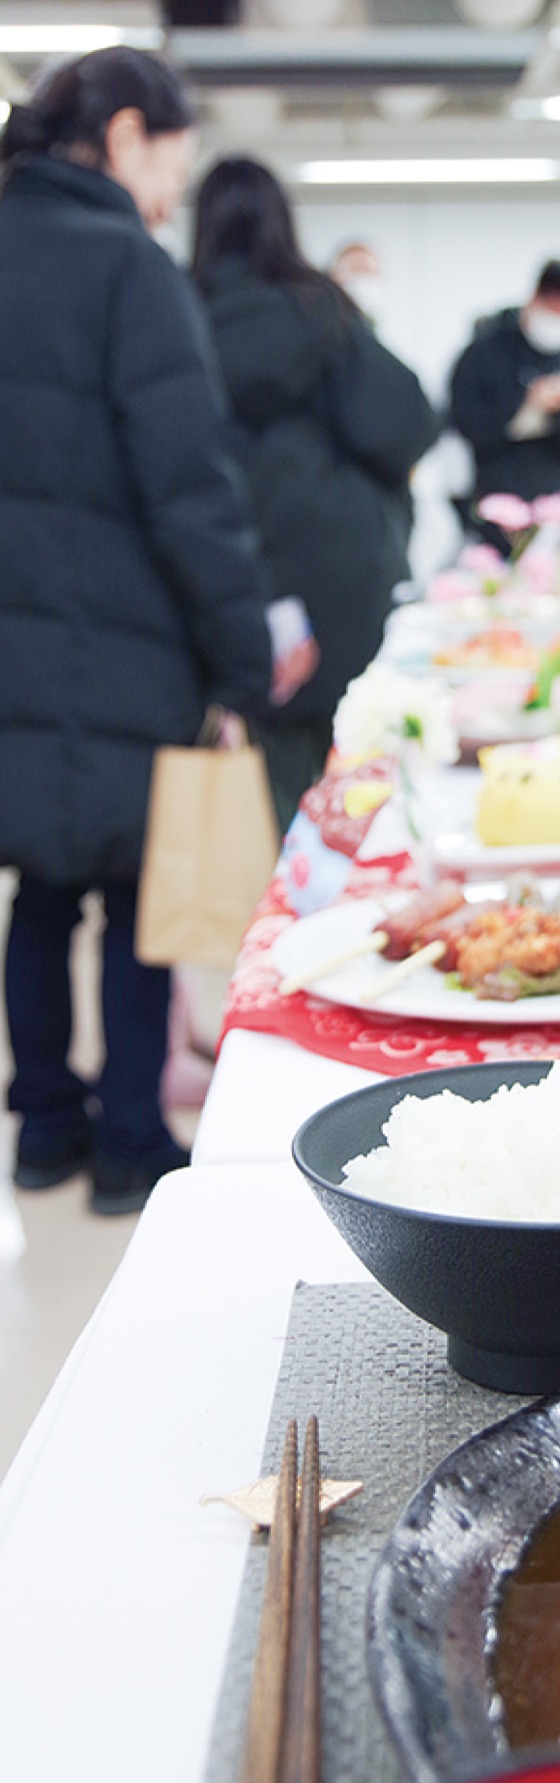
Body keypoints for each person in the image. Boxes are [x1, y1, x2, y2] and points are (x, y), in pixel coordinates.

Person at [0, 50, 313, 1214]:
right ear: (128, 136)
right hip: (127, 644)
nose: (173, 195)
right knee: (138, 895)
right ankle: (130, 1141)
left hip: (13, 654)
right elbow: (191, 487)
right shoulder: (130, 268)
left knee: (37, 891)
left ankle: (41, 1127)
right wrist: (243, 656)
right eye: (172, 164)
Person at [193, 158, 437, 826]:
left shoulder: (178, 312)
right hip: (339, 570)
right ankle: (347, 903)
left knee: (261, 761)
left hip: (233, 568)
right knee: (351, 756)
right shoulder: (322, 308)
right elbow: (406, 422)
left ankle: (277, 892)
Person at [449, 260, 560, 523]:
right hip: (502, 506)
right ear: (535, 299)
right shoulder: (484, 354)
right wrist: (523, 404)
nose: (559, 324)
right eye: (554, 311)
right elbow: (466, 424)